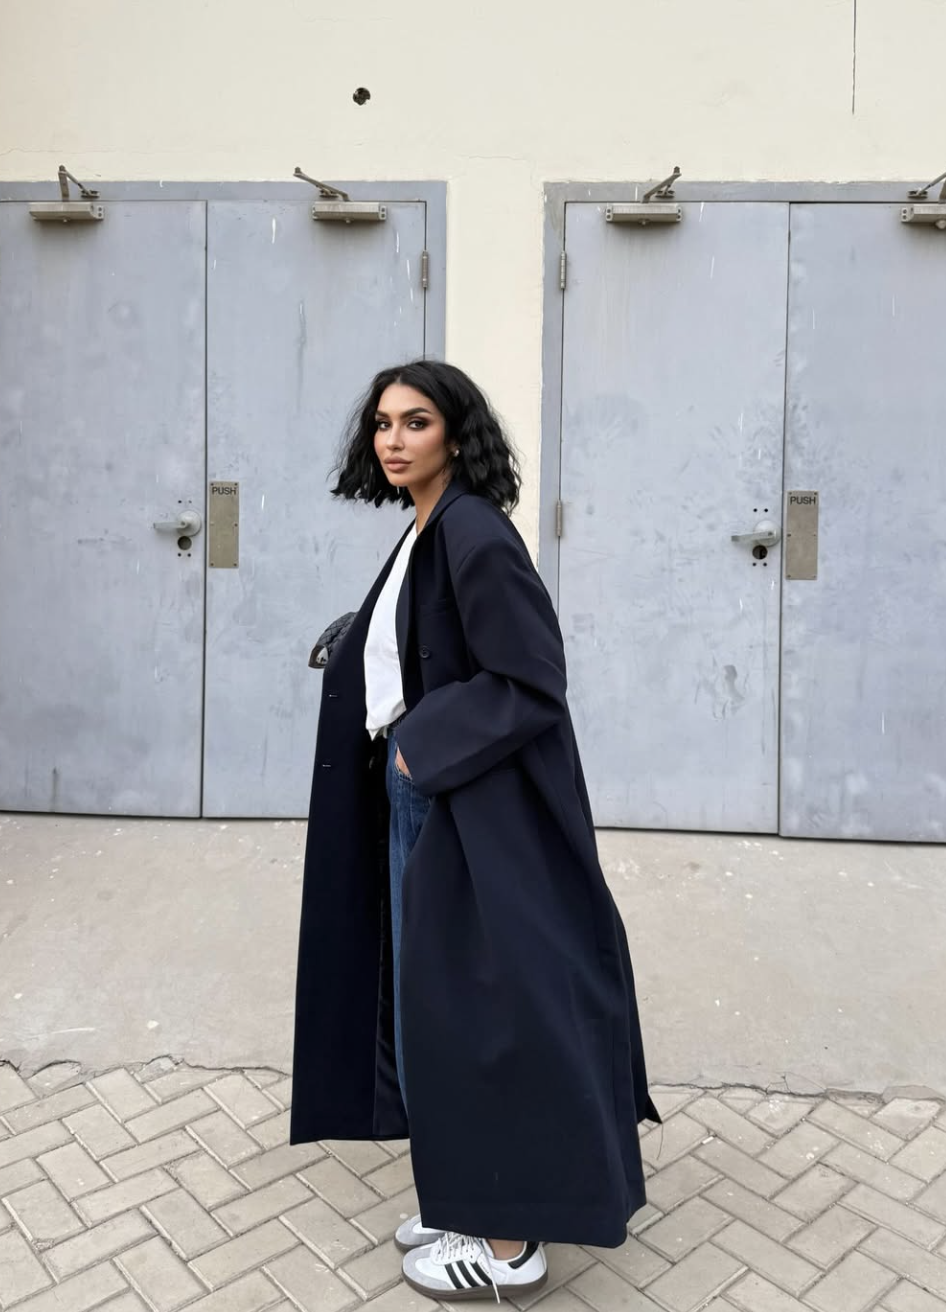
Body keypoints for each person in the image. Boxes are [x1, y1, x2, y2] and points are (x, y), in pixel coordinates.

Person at [290, 360, 660, 1302]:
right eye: (381, 424)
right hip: (435, 799)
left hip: (467, 807)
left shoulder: (473, 532)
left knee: (487, 1016)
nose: (394, 439)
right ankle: (467, 1188)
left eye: (416, 422)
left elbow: (531, 679)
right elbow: (434, 633)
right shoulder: (428, 525)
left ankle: (509, 1244)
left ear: (456, 434)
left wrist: (417, 751)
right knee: (435, 1018)